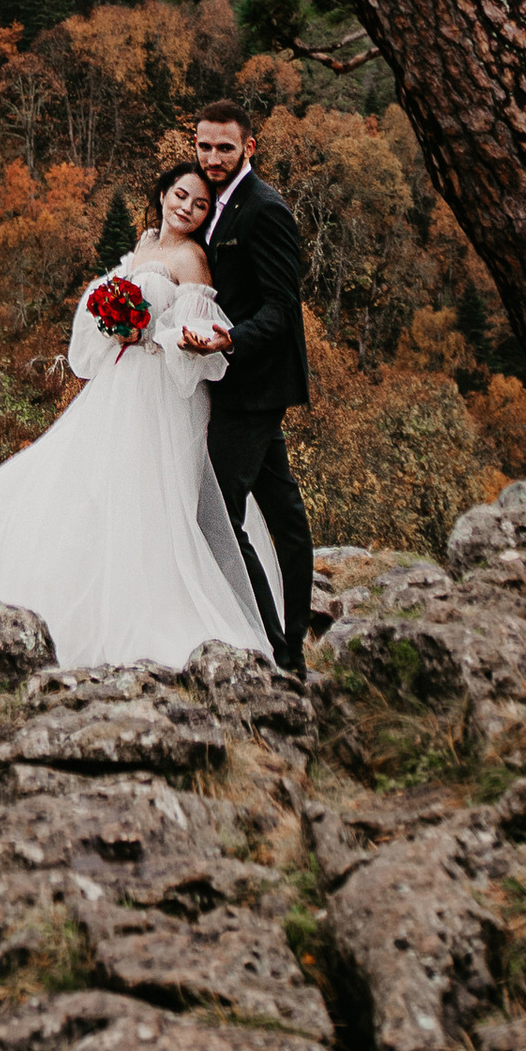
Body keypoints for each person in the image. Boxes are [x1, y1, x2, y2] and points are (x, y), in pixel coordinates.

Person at [0, 163, 282, 670]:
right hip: (120, 382)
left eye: (200, 205)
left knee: (147, 491)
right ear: (162, 193)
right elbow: (105, 303)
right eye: (180, 195)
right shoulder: (145, 245)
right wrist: (114, 323)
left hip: (160, 389)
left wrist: (150, 333)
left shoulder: (192, 258)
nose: (187, 209)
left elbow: (195, 332)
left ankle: (146, 605)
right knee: (94, 483)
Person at [190, 97, 314, 674]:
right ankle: (292, 643)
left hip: (254, 387)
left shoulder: (266, 209)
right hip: (232, 383)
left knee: (216, 516)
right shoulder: (214, 203)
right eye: (204, 146)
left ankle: (274, 645)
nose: (213, 157)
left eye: (225, 148)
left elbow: (283, 308)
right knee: (284, 514)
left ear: (249, 147)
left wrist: (229, 341)